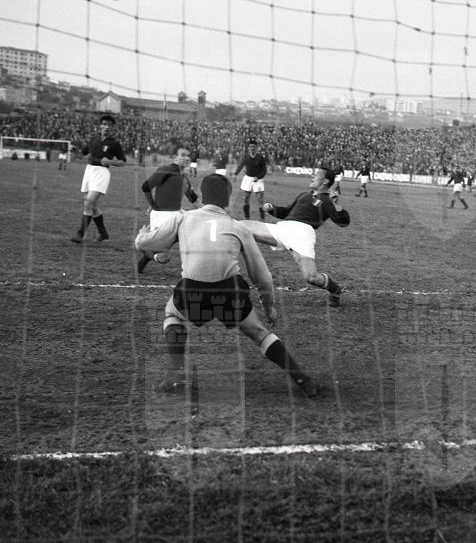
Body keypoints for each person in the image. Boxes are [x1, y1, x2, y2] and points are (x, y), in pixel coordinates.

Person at [134, 174, 318, 397]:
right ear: (229, 199)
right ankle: (303, 380)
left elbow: (147, 243)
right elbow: (262, 276)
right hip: (229, 291)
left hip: (194, 290)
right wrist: (268, 306)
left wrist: (141, 237)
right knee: (259, 333)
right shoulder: (238, 227)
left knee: (172, 314)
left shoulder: (183, 218)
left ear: (202, 196)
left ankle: (177, 375)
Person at [239, 166, 349, 308]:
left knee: (311, 277)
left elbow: (343, 222)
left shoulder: (327, 201)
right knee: (240, 227)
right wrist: (272, 208)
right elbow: (287, 212)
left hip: (302, 234)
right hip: (283, 228)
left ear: (325, 181)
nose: (312, 176)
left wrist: (337, 205)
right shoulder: (304, 195)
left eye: (317, 174)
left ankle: (335, 290)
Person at [137, 144, 198, 274]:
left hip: (178, 214)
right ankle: (151, 257)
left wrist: (210, 211)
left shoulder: (184, 177)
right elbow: (145, 186)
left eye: (188, 156)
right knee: (157, 249)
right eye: (183, 155)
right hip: (162, 217)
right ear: (175, 157)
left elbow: (193, 198)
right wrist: (153, 204)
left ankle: (192, 272)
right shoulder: (165, 170)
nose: (186, 158)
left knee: (193, 237)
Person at [71, 113, 126, 243]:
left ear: (112, 128)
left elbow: (123, 161)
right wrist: (74, 150)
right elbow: (81, 155)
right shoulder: (93, 140)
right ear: (100, 126)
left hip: (102, 172)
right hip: (89, 171)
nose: (107, 127)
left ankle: (80, 234)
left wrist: (110, 162)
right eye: (104, 124)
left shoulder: (114, 143)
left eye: (110, 125)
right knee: (93, 206)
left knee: (89, 201)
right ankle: (103, 234)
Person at [234, 138, 268, 220]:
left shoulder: (260, 158)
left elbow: (264, 170)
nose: (252, 148)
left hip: (258, 180)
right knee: (246, 199)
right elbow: (240, 166)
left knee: (260, 199)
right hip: (248, 179)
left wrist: (258, 177)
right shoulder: (245, 157)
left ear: (256, 147)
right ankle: (247, 218)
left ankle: (262, 219)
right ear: (248, 148)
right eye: (250, 147)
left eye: (253, 146)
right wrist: (235, 174)